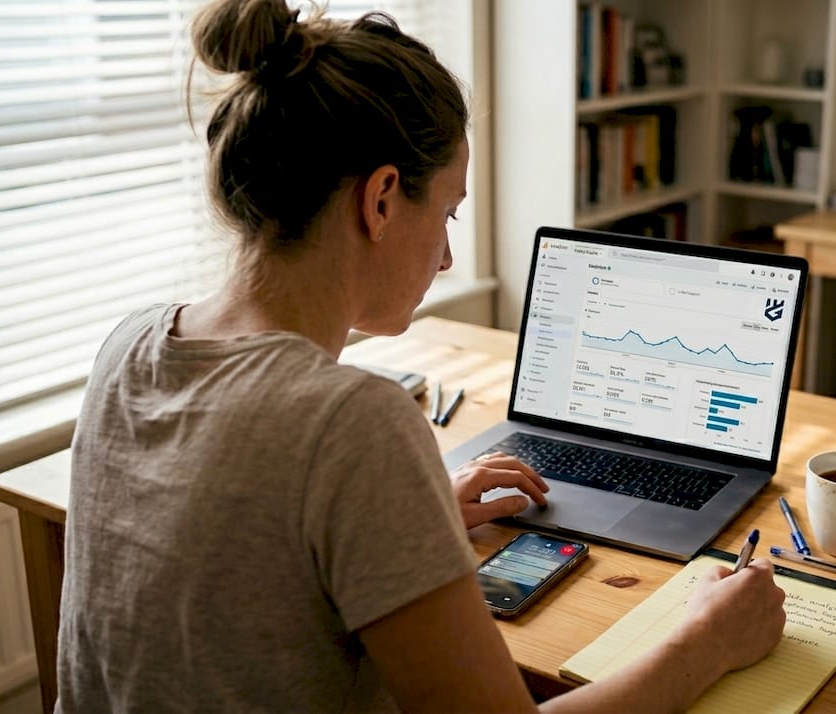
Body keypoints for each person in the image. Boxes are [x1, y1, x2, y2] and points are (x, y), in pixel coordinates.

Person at [56, 0, 787, 711]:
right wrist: (707, 641)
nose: (445, 256)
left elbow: (242, 567)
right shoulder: (350, 424)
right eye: (446, 212)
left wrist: (416, 515)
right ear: (378, 201)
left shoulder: (130, 345)